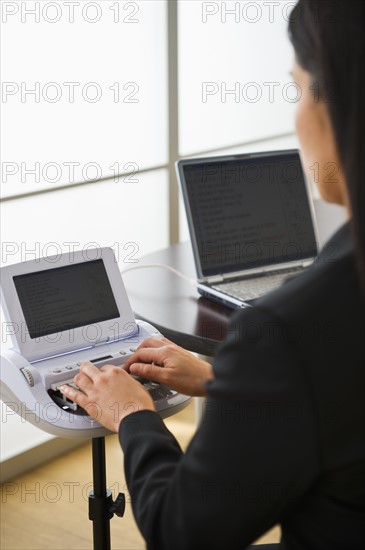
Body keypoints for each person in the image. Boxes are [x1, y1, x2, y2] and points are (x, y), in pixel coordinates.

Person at [60, 1, 365, 548]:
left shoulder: (293, 328)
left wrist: (133, 414)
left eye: (297, 91)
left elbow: (184, 531)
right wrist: (224, 382)